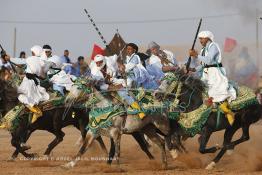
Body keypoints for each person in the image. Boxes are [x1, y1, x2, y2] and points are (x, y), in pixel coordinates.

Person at [189, 30, 236, 125]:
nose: (200, 40)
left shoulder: (213, 46)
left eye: (202, 38)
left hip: (215, 74)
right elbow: (203, 65)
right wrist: (193, 69)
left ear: (208, 38)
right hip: (206, 74)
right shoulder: (203, 50)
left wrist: (196, 55)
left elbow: (209, 61)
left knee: (217, 94)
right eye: (199, 38)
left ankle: (229, 113)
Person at [91, 54, 145, 119]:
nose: (99, 64)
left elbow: (116, 59)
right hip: (104, 87)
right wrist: (112, 87)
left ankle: (139, 110)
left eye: (100, 62)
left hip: (116, 79)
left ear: (104, 61)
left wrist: (120, 66)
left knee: (126, 87)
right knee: (119, 92)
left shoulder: (109, 61)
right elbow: (101, 85)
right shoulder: (94, 72)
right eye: (97, 63)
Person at [17, 45, 49, 123]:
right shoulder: (40, 60)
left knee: (20, 96)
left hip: (29, 82)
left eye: (32, 52)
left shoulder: (31, 59)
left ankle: (37, 111)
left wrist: (9, 58)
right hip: (32, 81)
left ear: (35, 52)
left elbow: (20, 62)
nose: (31, 53)